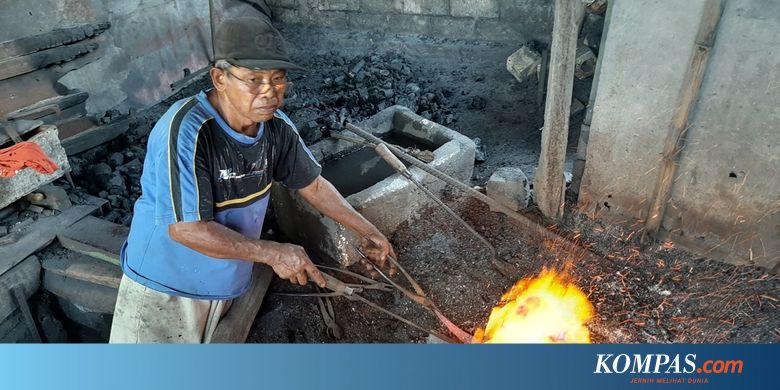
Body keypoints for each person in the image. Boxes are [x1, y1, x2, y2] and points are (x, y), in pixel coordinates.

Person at [109, 16, 395, 343]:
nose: (269, 92)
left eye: (277, 79)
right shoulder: (187, 131)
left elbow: (313, 185)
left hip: (227, 279)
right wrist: (274, 253)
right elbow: (187, 229)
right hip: (167, 288)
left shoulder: (276, 129)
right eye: (253, 79)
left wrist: (368, 231)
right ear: (219, 77)